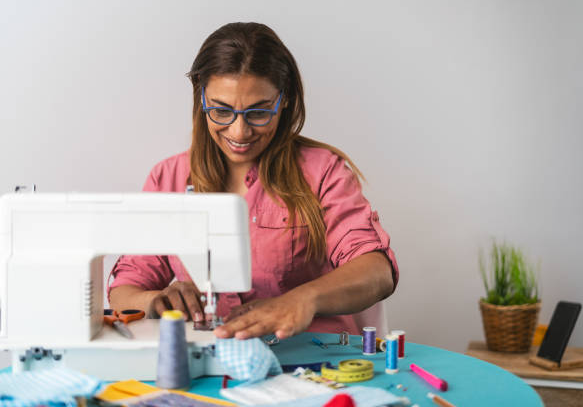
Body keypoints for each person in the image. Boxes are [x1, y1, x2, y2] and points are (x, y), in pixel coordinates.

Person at [108, 22, 399, 340]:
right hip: (216, 363)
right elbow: (124, 288)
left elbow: (377, 271)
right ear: (200, 97)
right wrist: (154, 301)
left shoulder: (323, 172)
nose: (239, 132)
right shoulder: (169, 178)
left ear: (283, 100)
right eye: (221, 111)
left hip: (314, 359)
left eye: (259, 113)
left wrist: (302, 299)